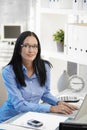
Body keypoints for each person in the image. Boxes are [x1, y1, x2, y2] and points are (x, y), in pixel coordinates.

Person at [0, 31, 78, 123]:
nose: (31, 50)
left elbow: (45, 93)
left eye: (34, 46)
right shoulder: (9, 71)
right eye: (26, 46)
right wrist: (51, 108)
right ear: (18, 48)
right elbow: (19, 105)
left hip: (30, 117)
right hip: (9, 119)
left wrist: (58, 103)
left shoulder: (45, 67)